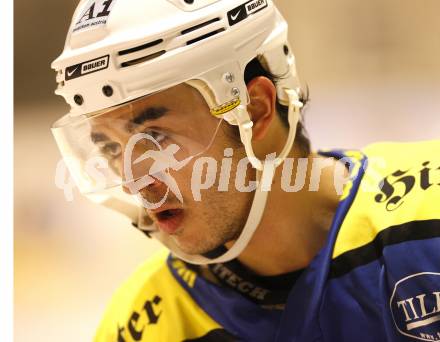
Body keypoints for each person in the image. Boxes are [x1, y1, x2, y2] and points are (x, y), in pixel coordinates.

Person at [51, 0, 440, 341]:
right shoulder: (147, 324)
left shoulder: (428, 222)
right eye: (109, 146)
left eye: (155, 137)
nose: (136, 181)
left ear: (255, 110)